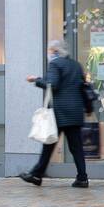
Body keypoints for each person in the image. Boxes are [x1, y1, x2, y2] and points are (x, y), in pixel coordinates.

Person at [20, 40, 89, 187]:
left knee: (49, 143)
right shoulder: (76, 65)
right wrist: (88, 108)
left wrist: (36, 79)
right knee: (76, 147)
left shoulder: (55, 64)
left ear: (55, 51)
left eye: (50, 51)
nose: (48, 54)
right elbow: (83, 87)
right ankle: (82, 178)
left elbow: (52, 84)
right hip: (75, 112)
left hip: (60, 112)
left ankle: (36, 175)